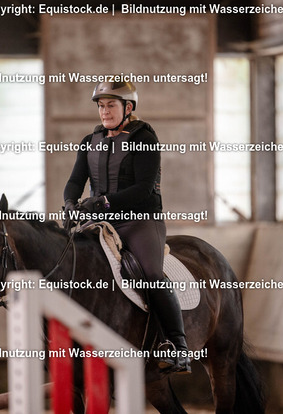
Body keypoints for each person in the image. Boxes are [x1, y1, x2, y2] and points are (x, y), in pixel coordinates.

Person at [63, 81, 191, 374]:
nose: (104, 111)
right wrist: (69, 202)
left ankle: (178, 346)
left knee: (152, 274)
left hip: (139, 221)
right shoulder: (90, 141)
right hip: (99, 221)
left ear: (128, 107)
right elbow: (75, 181)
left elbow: (144, 188)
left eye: (111, 105)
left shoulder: (144, 138)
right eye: (101, 106)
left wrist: (103, 201)